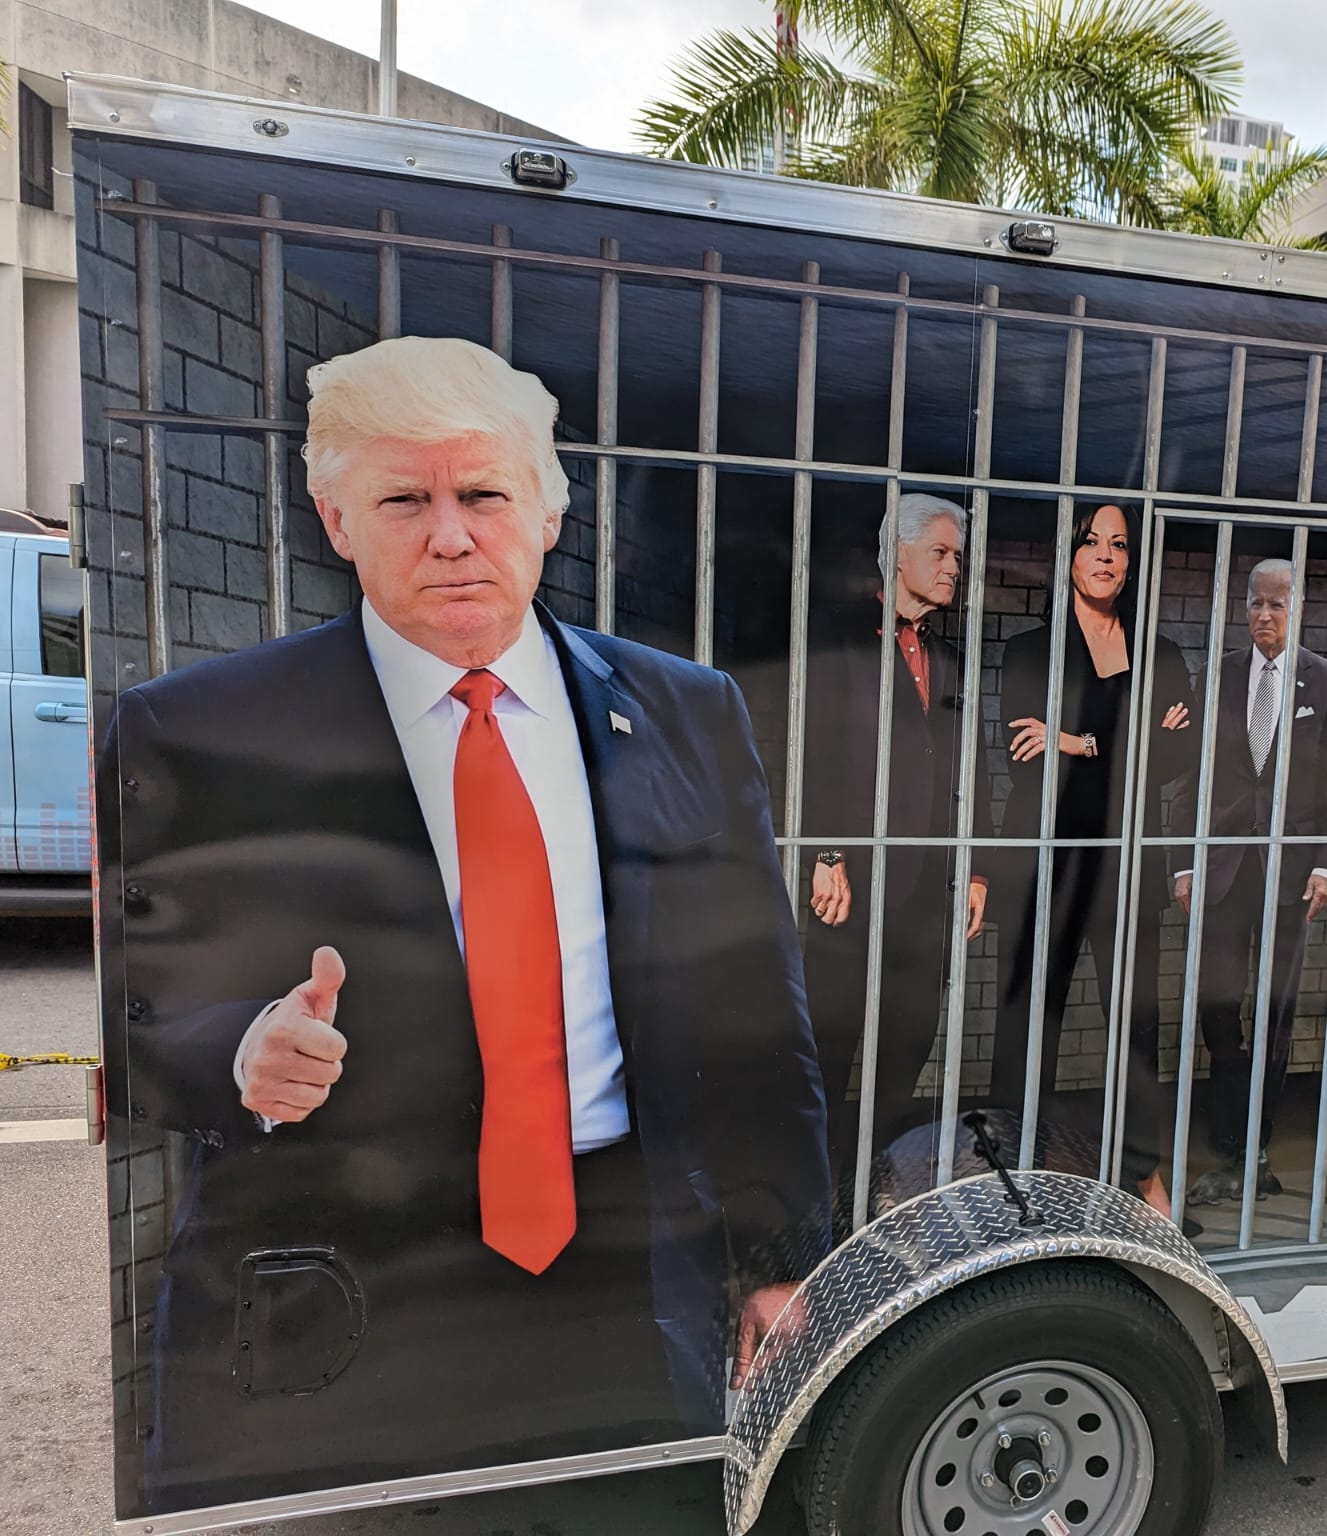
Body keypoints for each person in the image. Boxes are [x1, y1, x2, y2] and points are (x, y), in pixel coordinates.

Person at [100, 336, 830, 1513]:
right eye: (405, 500)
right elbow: (129, 1016)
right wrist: (239, 1050)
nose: (450, 536)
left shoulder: (685, 712)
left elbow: (755, 1012)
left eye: (482, 494)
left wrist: (779, 1261)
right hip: (338, 1301)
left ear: (547, 513)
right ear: (336, 519)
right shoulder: (196, 730)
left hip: (623, 1281)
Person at [990, 502, 1194, 1222]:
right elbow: (1026, 759)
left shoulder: (1160, 653)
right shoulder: (1029, 652)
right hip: (1047, 860)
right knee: (1030, 1019)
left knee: (1137, 1021)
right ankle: (1015, 1179)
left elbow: (1180, 754)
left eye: (1120, 545)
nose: (1106, 555)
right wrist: (1129, 736)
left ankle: (1142, 1175)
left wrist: (1076, 740)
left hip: (1127, 862)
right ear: (1070, 555)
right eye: (1092, 542)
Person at [801, 494, 993, 1194]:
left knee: (909, 1033)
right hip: (849, 882)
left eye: (958, 558)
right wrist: (825, 854)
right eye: (940, 553)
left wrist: (977, 872)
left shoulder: (949, 658)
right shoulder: (836, 637)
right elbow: (810, 749)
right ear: (899, 554)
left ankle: (872, 1176)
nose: (952, 569)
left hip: (928, 885)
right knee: (829, 1039)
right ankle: (817, 1189)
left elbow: (971, 770)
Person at [1172, 559, 1327, 1201]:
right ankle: (1231, 1136)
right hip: (1224, 870)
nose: (1265, 615)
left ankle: (1254, 1149)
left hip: (1290, 875)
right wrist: (1185, 862)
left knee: (1278, 1011)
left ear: (1297, 609)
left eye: (1277, 604)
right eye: (1255, 603)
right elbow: (1192, 772)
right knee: (1218, 1006)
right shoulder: (1214, 675)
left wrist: (1326, 864)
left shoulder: (1326, 681)